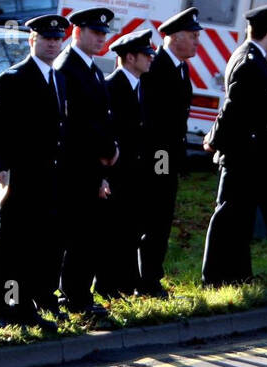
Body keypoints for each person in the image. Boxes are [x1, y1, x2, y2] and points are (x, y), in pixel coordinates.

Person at [200, 4, 267, 286]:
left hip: (264, 158)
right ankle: (214, 279)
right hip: (245, 158)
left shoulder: (258, 61)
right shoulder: (249, 63)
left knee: (265, 220)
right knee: (229, 219)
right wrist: (214, 140)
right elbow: (232, 109)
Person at [0, 14, 69, 327]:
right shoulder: (14, 78)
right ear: (32, 40)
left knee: (35, 248)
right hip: (18, 180)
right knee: (9, 249)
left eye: (57, 39)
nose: (52, 44)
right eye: (47, 39)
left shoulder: (57, 77)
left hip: (47, 180)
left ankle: (24, 308)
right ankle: (3, 310)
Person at [56, 7, 117, 322]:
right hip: (75, 167)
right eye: (95, 32)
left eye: (104, 33)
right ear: (77, 32)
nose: (101, 38)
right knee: (76, 236)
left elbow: (101, 119)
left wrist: (108, 157)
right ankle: (73, 297)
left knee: (88, 235)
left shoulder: (91, 67)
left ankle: (80, 294)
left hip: (92, 166)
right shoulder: (67, 67)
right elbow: (74, 124)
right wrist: (99, 158)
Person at [138, 6, 198, 299]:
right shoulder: (157, 65)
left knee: (161, 220)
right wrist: (161, 164)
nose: (198, 40)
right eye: (192, 35)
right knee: (153, 217)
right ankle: (146, 280)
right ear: (174, 37)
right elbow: (152, 120)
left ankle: (151, 277)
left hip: (170, 156)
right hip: (156, 157)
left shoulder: (181, 66)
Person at [97, 28, 154, 298]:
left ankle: (125, 284)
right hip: (117, 174)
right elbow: (106, 134)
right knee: (111, 233)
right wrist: (104, 174)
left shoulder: (142, 87)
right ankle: (108, 287)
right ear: (130, 57)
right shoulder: (110, 87)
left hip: (137, 174)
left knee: (131, 231)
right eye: (146, 54)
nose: (150, 59)